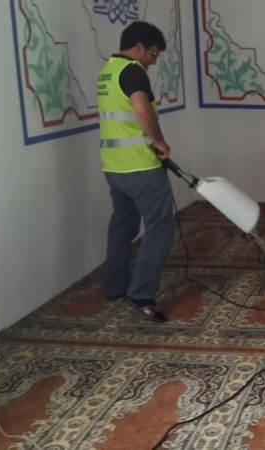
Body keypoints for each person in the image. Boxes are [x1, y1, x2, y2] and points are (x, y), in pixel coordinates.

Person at [97, 21, 171, 323]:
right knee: (159, 227)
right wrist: (159, 141)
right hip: (141, 166)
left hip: (114, 167)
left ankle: (116, 286)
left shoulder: (107, 72)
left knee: (122, 226)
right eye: (153, 53)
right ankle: (141, 294)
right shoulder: (133, 71)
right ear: (139, 47)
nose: (153, 61)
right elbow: (141, 110)